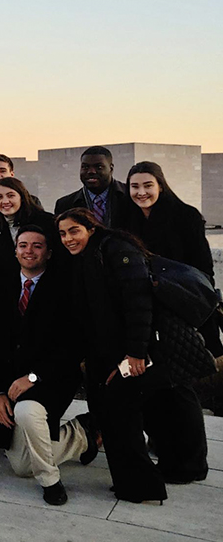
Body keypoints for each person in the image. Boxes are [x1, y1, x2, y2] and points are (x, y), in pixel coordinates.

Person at [57, 208, 208, 503]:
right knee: (127, 413)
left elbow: (138, 303)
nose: (68, 238)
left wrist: (135, 355)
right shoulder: (90, 255)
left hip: (141, 350)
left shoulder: (116, 249)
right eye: (62, 233)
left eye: (74, 230)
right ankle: (150, 478)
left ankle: (141, 486)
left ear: (91, 227)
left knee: (120, 415)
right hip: (119, 350)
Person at [0, 225, 97, 506]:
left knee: (26, 410)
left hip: (52, 378)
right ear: (15, 251)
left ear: (48, 253)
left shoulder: (64, 287)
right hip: (10, 382)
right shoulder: (4, 286)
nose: (29, 251)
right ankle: (83, 433)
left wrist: (33, 377)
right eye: (23, 245)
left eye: (37, 246)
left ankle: (50, 480)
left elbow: (73, 346)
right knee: (21, 466)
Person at [125, 161, 220, 356]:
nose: (141, 192)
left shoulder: (186, 215)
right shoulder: (126, 219)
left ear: (160, 185)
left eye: (148, 185)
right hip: (148, 305)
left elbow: (203, 266)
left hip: (184, 300)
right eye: (135, 187)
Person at [0, 177, 57, 288]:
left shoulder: (46, 221)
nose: (5, 201)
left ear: (22, 197)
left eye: (11, 195)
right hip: (5, 289)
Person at [54, 146, 130, 229]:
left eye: (99, 167)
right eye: (85, 167)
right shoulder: (65, 205)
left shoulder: (130, 197)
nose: (91, 172)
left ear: (111, 169)